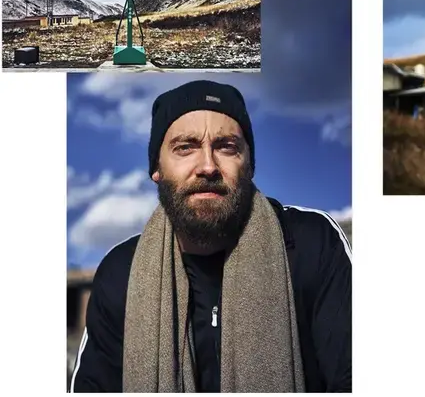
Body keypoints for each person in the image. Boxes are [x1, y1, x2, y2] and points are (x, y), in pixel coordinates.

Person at [70, 81, 353, 393]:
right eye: (185, 147)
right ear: (157, 169)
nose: (207, 166)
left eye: (226, 147)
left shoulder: (310, 243)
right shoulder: (122, 271)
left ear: (250, 164)